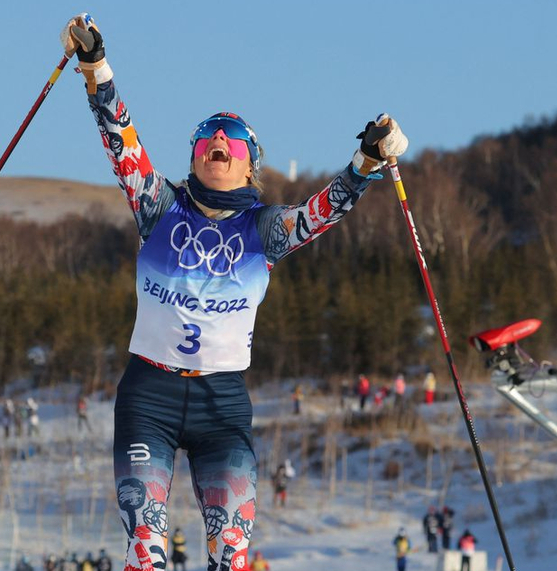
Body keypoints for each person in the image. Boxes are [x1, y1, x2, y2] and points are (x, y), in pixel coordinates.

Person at [60, 12, 408, 571]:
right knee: (146, 551)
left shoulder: (264, 230)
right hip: (148, 395)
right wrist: (95, 65)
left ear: (249, 168)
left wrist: (366, 162)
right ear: (196, 155)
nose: (218, 138)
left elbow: (321, 213)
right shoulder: (158, 205)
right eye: (207, 135)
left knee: (233, 553)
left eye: (233, 137)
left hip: (221, 405)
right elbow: (119, 139)